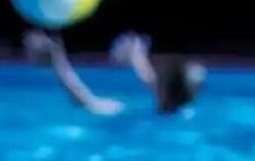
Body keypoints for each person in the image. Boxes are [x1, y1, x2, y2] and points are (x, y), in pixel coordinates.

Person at [23, 29, 206, 116]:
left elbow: (87, 101)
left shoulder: (138, 115)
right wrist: (137, 57)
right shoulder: (187, 114)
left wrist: (57, 60)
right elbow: (157, 85)